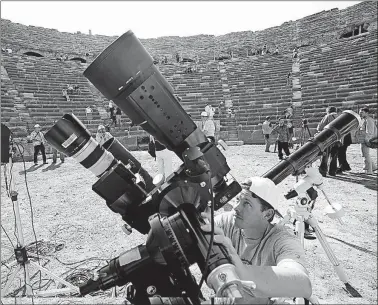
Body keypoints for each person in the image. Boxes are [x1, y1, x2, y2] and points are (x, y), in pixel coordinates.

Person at [200, 177, 312, 304]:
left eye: (246, 203)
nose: (236, 208)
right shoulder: (229, 222)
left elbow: (303, 284)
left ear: (267, 214)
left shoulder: (282, 240)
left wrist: (241, 269)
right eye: (238, 200)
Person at [317, 106, 339, 177]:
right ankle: (332, 172)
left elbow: (319, 128)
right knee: (334, 156)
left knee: (325, 155)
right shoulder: (340, 116)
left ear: (328, 111)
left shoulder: (328, 116)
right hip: (337, 139)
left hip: (328, 139)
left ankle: (323, 171)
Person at [358, 106, 377, 175]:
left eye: (362, 112)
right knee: (364, 154)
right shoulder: (363, 120)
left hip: (366, 140)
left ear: (367, 113)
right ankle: (373, 167)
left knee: (366, 154)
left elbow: (370, 131)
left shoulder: (369, 120)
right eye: (359, 112)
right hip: (363, 139)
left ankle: (369, 171)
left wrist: (367, 140)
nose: (360, 114)